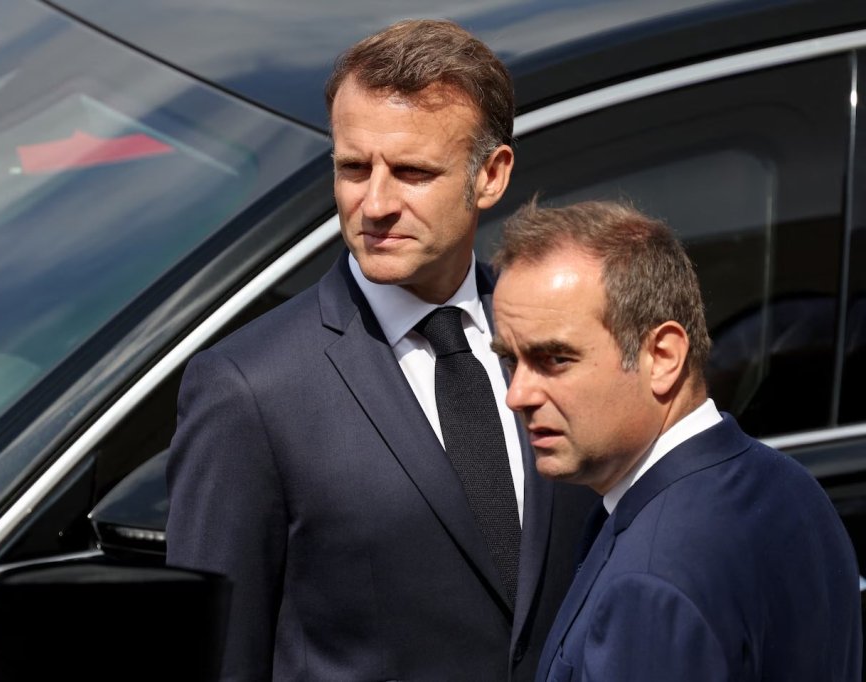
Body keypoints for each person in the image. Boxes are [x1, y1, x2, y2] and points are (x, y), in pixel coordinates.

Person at [165, 18, 594, 681]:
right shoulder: (250, 389)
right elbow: (215, 659)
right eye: (354, 168)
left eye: (413, 172)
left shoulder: (562, 341)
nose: (375, 204)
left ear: (491, 175)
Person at [490, 199, 863, 681]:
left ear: (663, 357)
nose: (517, 395)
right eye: (510, 360)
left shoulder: (650, 584)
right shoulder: (789, 485)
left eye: (555, 359)